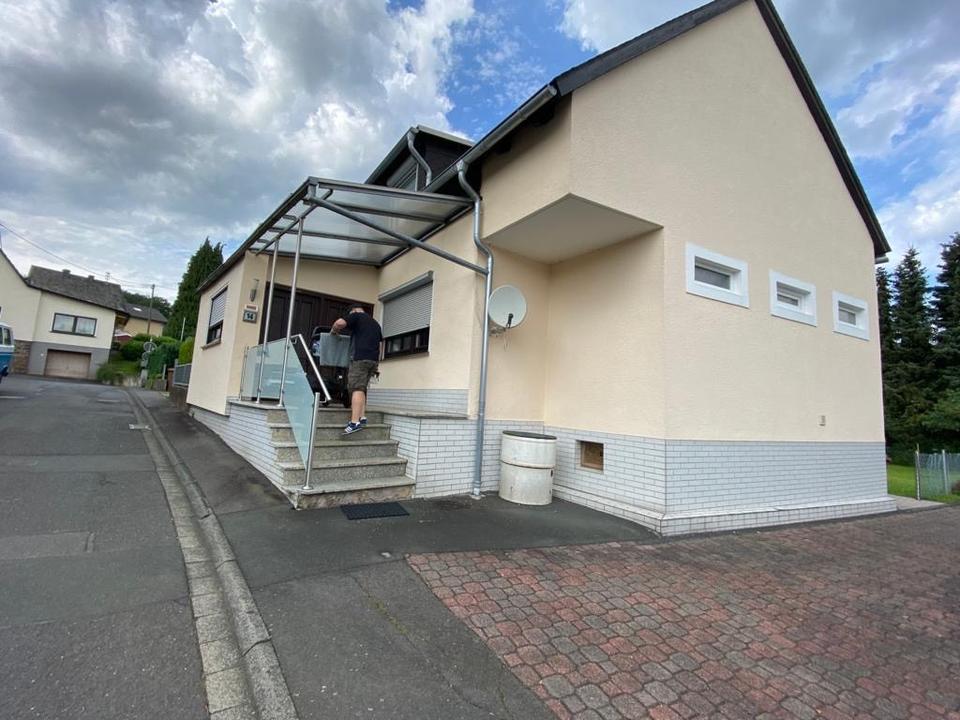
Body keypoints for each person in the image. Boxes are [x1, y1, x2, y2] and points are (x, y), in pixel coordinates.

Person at [331, 305, 383, 434]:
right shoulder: (375, 323)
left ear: (353, 311)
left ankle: (354, 423)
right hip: (373, 360)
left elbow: (339, 323)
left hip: (360, 359)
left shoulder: (356, 315)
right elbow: (381, 344)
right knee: (362, 388)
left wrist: (334, 331)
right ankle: (362, 417)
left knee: (356, 388)